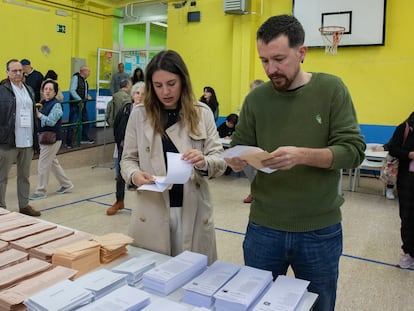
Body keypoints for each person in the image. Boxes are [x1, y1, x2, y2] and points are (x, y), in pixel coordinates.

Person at [224, 15, 365, 311]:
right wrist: (238, 160)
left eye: (279, 59)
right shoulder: (256, 100)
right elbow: (240, 146)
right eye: (263, 60)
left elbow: (353, 150)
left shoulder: (331, 90)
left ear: (301, 53)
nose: (271, 69)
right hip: (264, 227)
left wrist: (300, 155)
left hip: (318, 229)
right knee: (257, 303)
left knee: (320, 305)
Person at [121, 50, 226, 264]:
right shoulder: (139, 114)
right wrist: (134, 175)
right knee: (152, 278)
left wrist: (204, 161)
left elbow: (219, 159)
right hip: (152, 209)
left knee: (194, 278)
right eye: (158, 86)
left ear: (183, 81)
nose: (165, 91)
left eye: (171, 83)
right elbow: (128, 159)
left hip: (193, 210)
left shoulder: (201, 113)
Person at [0, 59, 42, 217]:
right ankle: (1, 208)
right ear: (7, 72)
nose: (18, 73)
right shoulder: (2, 90)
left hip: (27, 140)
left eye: (20, 70)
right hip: (8, 140)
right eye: (14, 70)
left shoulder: (29, 89)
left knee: (24, 175)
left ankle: (24, 205)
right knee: (1, 176)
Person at [29, 80, 74, 200]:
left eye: (50, 89)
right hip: (44, 138)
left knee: (43, 164)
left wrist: (39, 115)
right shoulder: (43, 102)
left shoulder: (57, 105)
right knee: (53, 163)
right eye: (45, 89)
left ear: (55, 92)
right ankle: (66, 184)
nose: (47, 91)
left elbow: (51, 121)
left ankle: (41, 191)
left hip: (52, 139)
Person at [106, 82, 145, 216]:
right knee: (121, 175)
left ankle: (144, 206)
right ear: (132, 95)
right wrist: (120, 142)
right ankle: (119, 201)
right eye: (137, 93)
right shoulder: (125, 109)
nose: (139, 96)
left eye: (143, 94)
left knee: (143, 177)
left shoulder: (149, 112)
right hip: (124, 147)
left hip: (144, 150)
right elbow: (117, 125)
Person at [388, 112, 414, 269]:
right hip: (408, 181)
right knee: (408, 217)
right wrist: (409, 154)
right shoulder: (404, 128)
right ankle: (409, 253)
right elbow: (393, 149)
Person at [243, 79, 265, 204]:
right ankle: (254, 190)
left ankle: (260, 192)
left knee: (261, 168)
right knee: (248, 167)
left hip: (263, 143)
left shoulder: (269, 104)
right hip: (250, 141)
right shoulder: (249, 103)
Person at [66, 65, 94, 148]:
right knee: (73, 123)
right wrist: (79, 100)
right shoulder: (76, 78)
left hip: (82, 104)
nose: (89, 73)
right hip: (76, 104)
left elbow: (82, 91)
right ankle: (69, 142)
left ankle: (84, 138)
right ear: (83, 71)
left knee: (86, 121)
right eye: (88, 71)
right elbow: (72, 90)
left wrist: (86, 96)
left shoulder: (84, 81)